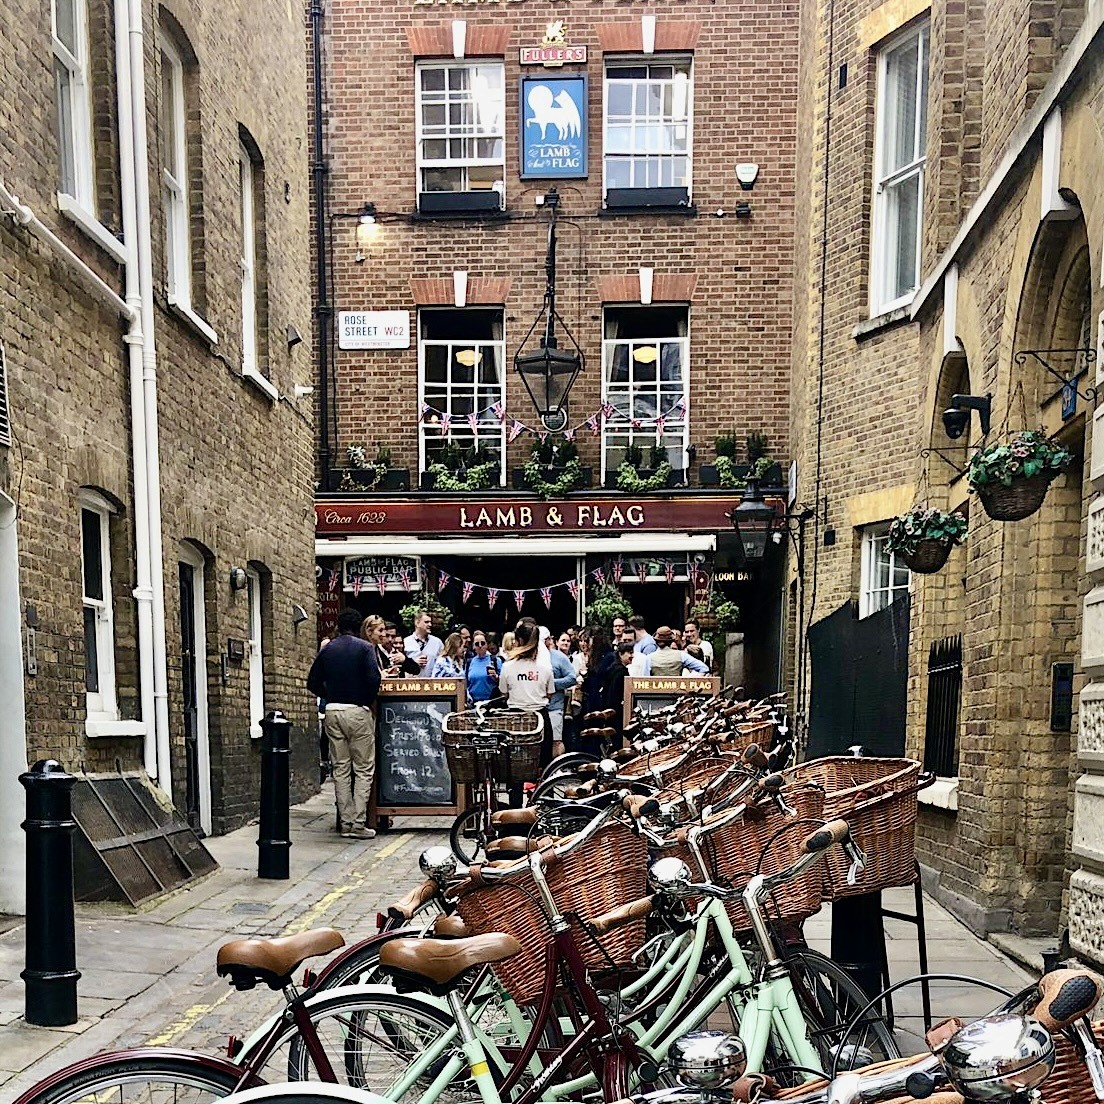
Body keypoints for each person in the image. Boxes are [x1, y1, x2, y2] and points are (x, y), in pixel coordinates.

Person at [306, 608, 381, 840]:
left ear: (338, 626)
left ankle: (345, 823)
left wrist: (328, 695)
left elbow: (312, 682)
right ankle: (358, 824)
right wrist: (364, 700)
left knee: (340, 769)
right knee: (363, 769)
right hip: (357, 711)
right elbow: (374, 679)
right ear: (359, 627)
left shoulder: (328, 649)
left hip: (332, 710)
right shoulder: (365, 648)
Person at [500, 621, 555, 787]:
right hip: (540, 718)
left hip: (516, 719)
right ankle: (545, 803)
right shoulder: (545, 668)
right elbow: (550, 693)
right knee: (544, 766)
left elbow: (504, 692)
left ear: (518, 641)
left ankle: (514, 805)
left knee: (515, 765)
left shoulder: (507, 667)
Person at [546, 628, 582, 758]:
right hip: (534, 706)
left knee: (556, 740)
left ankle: (557, 770)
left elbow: (572, 678)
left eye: (546, 639)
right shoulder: (530, 656)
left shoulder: (559, 657)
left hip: (555, 706)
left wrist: (551, 683)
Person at [641, 626, 711, 676]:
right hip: (677, 695)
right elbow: (704, 668)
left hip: (655, 695)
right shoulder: (681, 655)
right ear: (671, 641)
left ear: (656, 641)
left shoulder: (649, 658)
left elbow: (644, 679)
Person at [466, 630, 502, 703]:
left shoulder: (495, 660)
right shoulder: (469, 662)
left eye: (482, 643)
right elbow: (465, 683)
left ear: (487, 645)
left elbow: (504, 682)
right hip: (473, 702)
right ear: (473, 646)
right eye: (477, 644)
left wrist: (496, 677)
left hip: (492, 702)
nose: (480, 646)